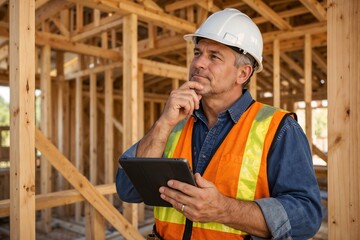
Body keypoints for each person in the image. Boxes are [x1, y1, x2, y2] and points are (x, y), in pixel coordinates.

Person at [116, 8, 322, 240]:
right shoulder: (175, 121)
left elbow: (307, 215)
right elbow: (128, 189)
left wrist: (223, 209)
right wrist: (163, 123)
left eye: (214, 56)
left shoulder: (279, 128)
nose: (199, 63)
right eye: (197, 52)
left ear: (243, 74)